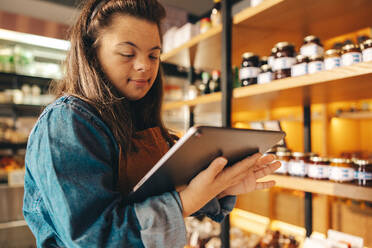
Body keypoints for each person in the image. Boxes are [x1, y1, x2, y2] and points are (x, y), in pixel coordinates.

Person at [23, 0, 281, 247]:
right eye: (127, 53)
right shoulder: (66, 122)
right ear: (92, 53)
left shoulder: (135, 118)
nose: (144, 66)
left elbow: (144, 201)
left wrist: (219, 187)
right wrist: (186, 201)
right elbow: (94, 239)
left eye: (154, 56)